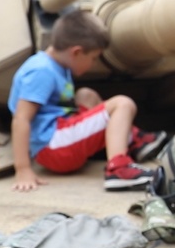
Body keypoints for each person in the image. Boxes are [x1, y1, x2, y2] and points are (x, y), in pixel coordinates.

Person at [8, 10, 166, 191]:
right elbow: (21, 119)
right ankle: (118, 169)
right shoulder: (41, 71)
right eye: (93, 58)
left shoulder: (57, 64)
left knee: (85, 94)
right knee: (123, 103)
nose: (93, 64)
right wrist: (23, 169)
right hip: (54, 148)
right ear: (76, 52)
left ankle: (133, 139)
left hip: (59, 137)